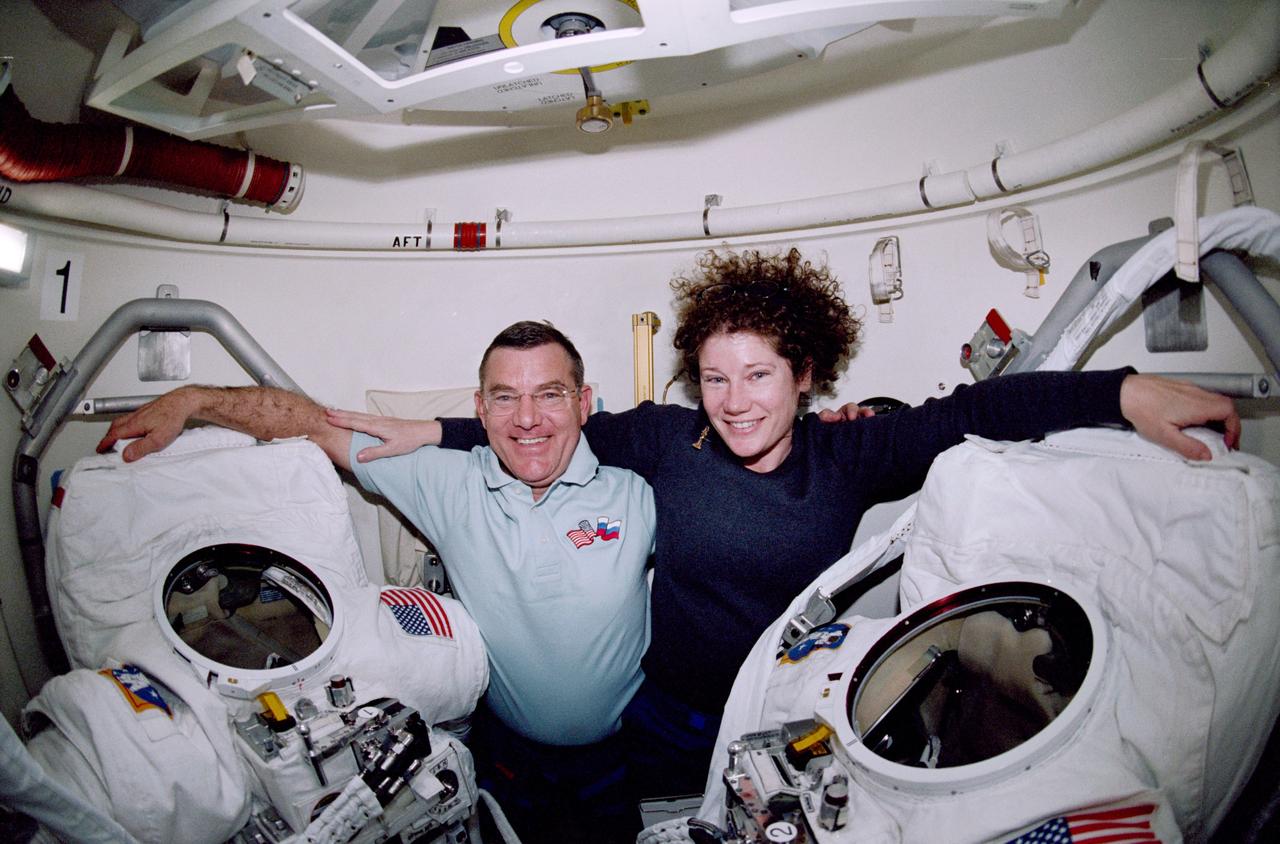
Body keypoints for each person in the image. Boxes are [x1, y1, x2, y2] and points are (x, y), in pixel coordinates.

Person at [325, 247, 1242, 805]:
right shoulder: (666, 437)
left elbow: (981, 406)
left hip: (786, 712)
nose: (734, 402)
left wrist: (1123, 391)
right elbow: (539, 422)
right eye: (717, 378)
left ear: (806, 374)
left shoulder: (851, 455)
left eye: (758, 376)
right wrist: (431, 428)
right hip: (661, 716)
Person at [96, 321, 657, 844]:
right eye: (506, 397)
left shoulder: (639, 493)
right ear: (481, 409)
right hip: (504, 754)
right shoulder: (447, 481)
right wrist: (195, 401)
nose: (527, 418)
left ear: (583, 405)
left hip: (622, 756)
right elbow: (313, 421)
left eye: (550, 394)